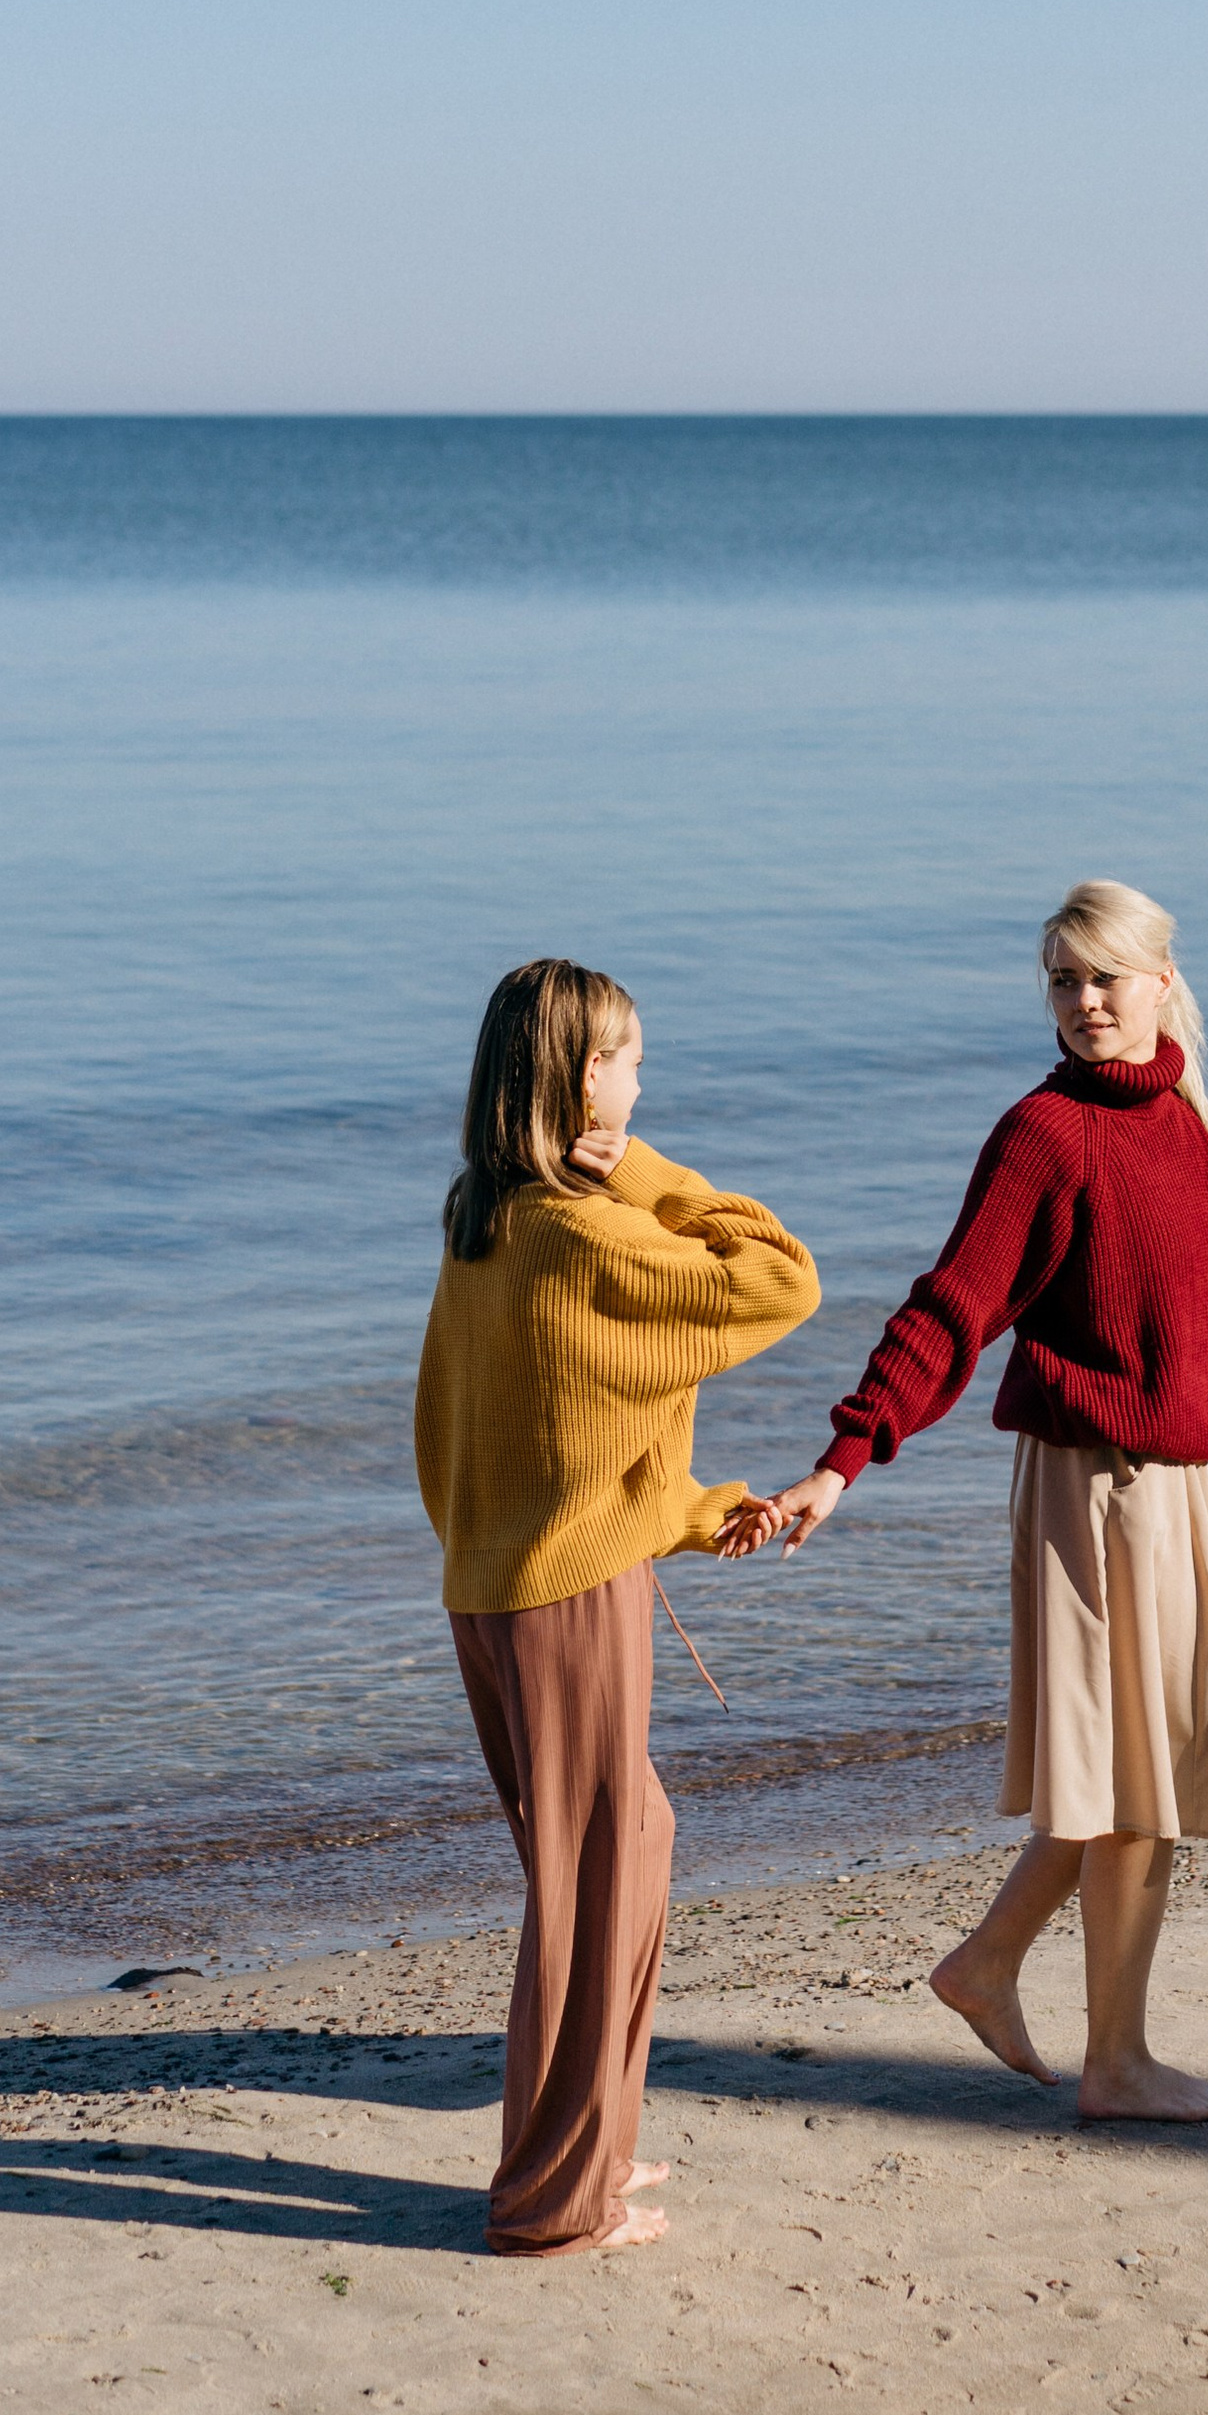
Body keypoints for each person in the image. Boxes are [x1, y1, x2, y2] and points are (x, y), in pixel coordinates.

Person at [743, 881, 1208, 2124]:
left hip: (1173, 1488)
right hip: (1090, 1490)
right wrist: (846, 1456)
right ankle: (1118, 2066)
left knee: (1140, 1775)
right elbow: (954, 1308)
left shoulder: (1184, 1127)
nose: (1083, 1004)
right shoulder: (1043, 1135)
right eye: (1061, 982)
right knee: (1139, 1786)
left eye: (1103, 978)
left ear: (1158, 981)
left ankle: (988, 1967)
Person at [414, 957, 820, 2256]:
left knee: (621, 1854)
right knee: (591, 1893)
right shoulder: (580, 1225)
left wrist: (690, 1513)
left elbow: (528, 1423)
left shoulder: (482, 1214)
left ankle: (597, 2155)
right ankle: (549, 2205)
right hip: (567, 1600)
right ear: (581, 1083)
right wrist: (636, 1167)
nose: (644, 1078)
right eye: (628, 1058)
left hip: (500, 1589)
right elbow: (775, 1278)